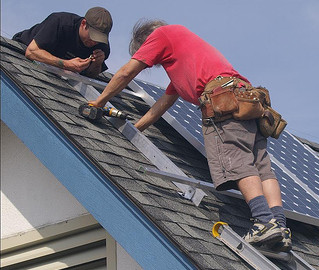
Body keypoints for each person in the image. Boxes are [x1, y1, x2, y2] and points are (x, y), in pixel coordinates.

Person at [86, 19, 291, 251]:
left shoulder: (161, 36)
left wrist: (99, 101)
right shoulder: (184, 51)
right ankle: (279, 227)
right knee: (261, 167)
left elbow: (126, 72)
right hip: (247, 99)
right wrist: (137, 127)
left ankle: (264, 222)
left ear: (147, 41)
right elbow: (163, 103)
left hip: (224, 101)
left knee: (239, 163)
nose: (157, 64)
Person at [12, 7, 112, 78]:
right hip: (19, 54)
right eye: (92, 36)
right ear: (83, 23)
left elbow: (90, 75)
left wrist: (97, 64)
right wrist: (67, 64)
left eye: (98, 39)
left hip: (54, 71)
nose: (94, 42)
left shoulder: (103, 46)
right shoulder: (60, 22)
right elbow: (31, 52)